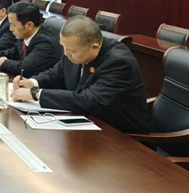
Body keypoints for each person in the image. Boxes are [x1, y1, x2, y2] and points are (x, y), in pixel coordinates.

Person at [11, 16, 150, 134]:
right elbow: (57, 73)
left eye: (71, 51)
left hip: (121, 135)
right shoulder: (74, 49)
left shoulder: (118, 62)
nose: (66, 54)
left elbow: (88, 100)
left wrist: (35, 93)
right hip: (87, 124)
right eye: (63, 47)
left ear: (94, 47)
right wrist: (32, 82)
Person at [0, 1, 62, 77]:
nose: (11, 29)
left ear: (29, 25)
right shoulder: (25, 35)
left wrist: (4, 63)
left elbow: (24, 68)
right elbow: (13, 52)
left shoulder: (46, 43)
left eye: (13, 25)